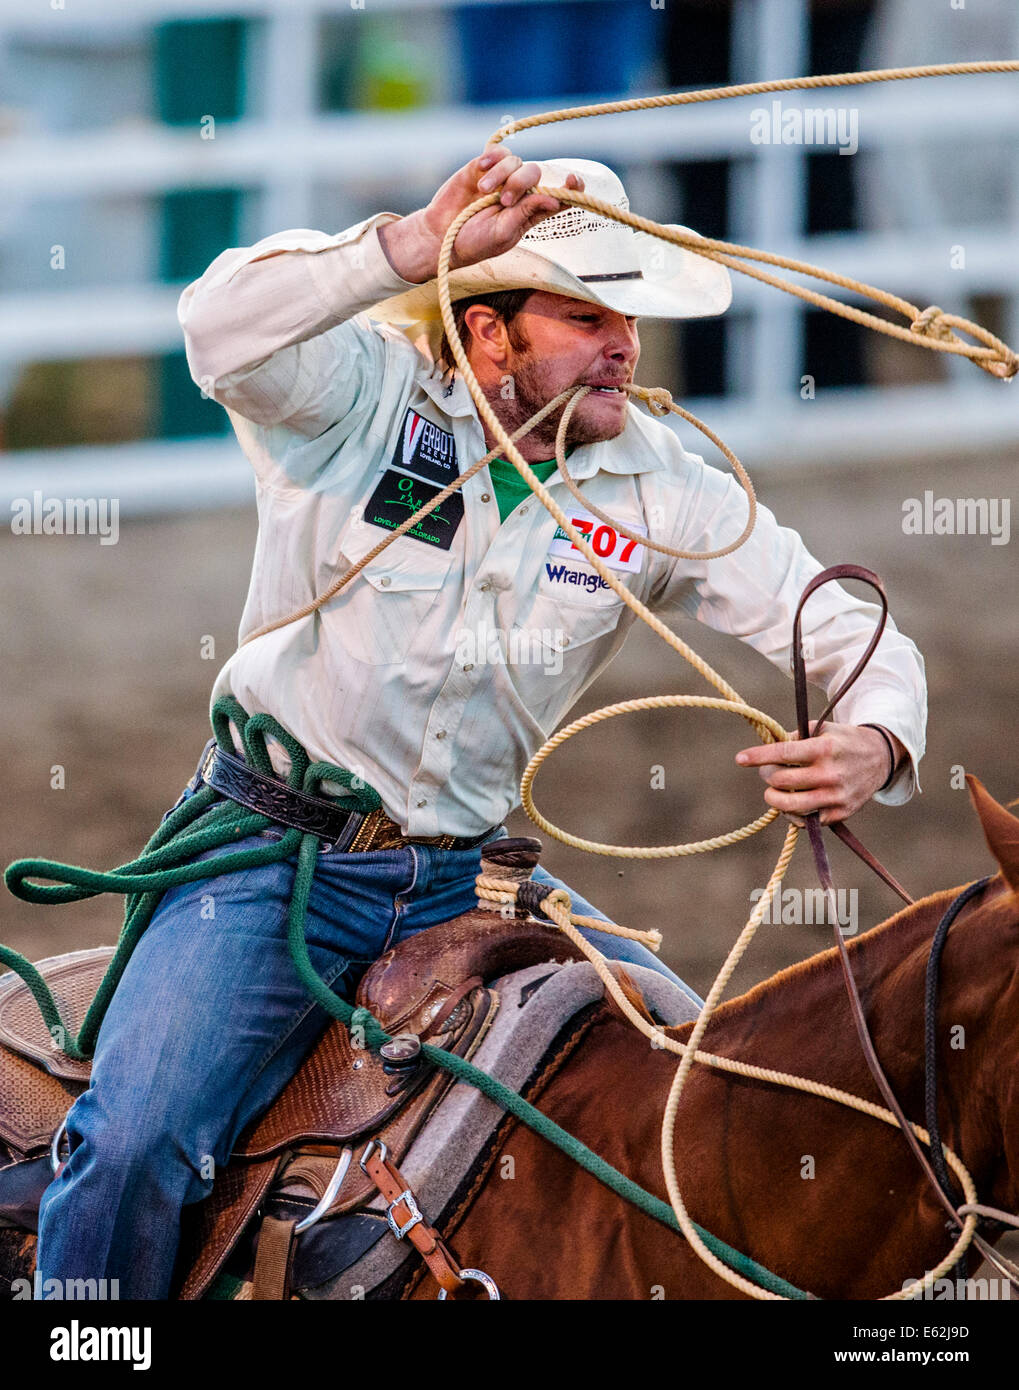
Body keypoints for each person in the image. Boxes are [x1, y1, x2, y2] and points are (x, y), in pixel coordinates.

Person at [35, 150, 925, 1299]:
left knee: (694, 1083)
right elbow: (216, 326)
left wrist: (875, 737)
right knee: (137, 1140)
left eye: (628, 318)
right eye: (580, 314)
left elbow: (841, 627)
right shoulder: (358, 399)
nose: (620, 344)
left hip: (470, 879)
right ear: (487, 331)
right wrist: (402, 247)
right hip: (268, 859)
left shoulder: (665, 486)